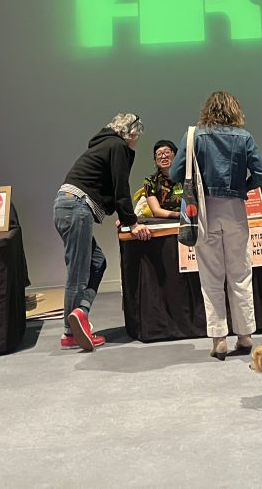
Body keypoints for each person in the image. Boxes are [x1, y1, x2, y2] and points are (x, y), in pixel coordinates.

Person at [170, 91, 262, 361]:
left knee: (211, 276)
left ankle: (219, 339)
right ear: (235, 110)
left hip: (204, 210)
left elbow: (175, 173)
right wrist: (242, 188)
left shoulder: (194, 136)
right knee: (241, 273)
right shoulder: (244, 137)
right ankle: (245, 335)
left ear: (207, 110)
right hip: (235, 209)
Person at [54, 112, 150, 351]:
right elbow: (120, 187)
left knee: (97, 263)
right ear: (133, 133)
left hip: (68, 205)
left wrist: (125, 217)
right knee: (78, 272)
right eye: (138, 136)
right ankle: (70, 334)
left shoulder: (104, 144)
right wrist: (131, 222)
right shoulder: (117, 146)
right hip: (76, 206)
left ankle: (80, 312)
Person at [140, 139, 183, 219]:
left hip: (189, 221)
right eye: (159, 154)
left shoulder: (187, 177)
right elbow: (156, 211)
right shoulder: (150, 181)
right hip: (164, 221)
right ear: (155, 160)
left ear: (176, 155)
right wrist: (181, 215)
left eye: (167, 152)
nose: (163, 156)